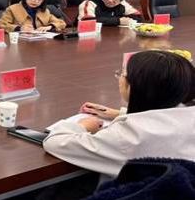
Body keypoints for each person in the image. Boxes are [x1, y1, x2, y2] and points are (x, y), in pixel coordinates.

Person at [43, 50, 195, 178]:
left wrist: (82, 126)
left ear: (134, 86)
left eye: (122, 74)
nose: (120, 78)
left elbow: (55, 143)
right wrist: (119, 113)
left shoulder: (128, 135)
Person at [0, 0, 66, 33]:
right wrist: (19, 28)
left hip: (40, 43)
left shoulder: (44, 11)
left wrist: (50, 27)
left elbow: (61, 23)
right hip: (20, 44)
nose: (36, 1)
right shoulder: (13, 9)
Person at [77, 0, 142, 26]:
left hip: (113, 35)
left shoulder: (122, 3)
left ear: (121, 0)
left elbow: (138, 17)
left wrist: (119, 20)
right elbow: (87, 21)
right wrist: (118, 21)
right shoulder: (89, 2)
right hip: (87, 35)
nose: (110, 0)